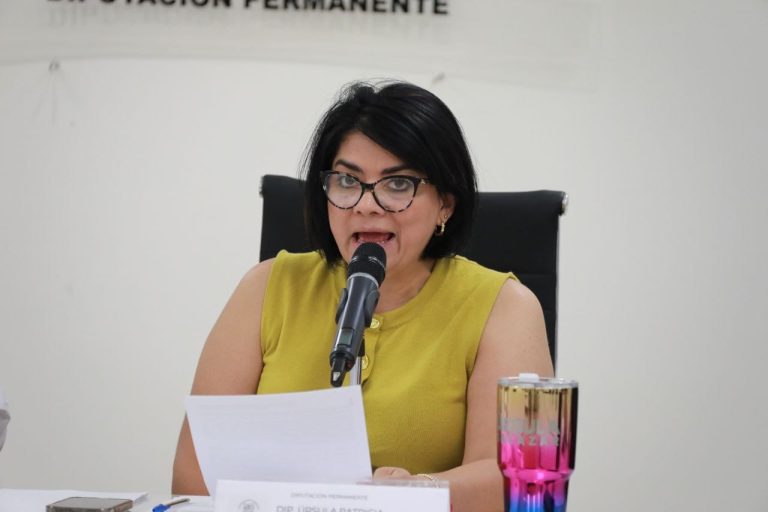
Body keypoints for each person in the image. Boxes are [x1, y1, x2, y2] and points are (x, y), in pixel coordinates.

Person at [172, 80, 553, 512]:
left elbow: (514, 481)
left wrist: (414, 494)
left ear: (446, 203)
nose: (366, 205)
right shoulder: (265, 288)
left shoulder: (504, 307)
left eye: (398, 184)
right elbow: (192, 475)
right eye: (347, 180)